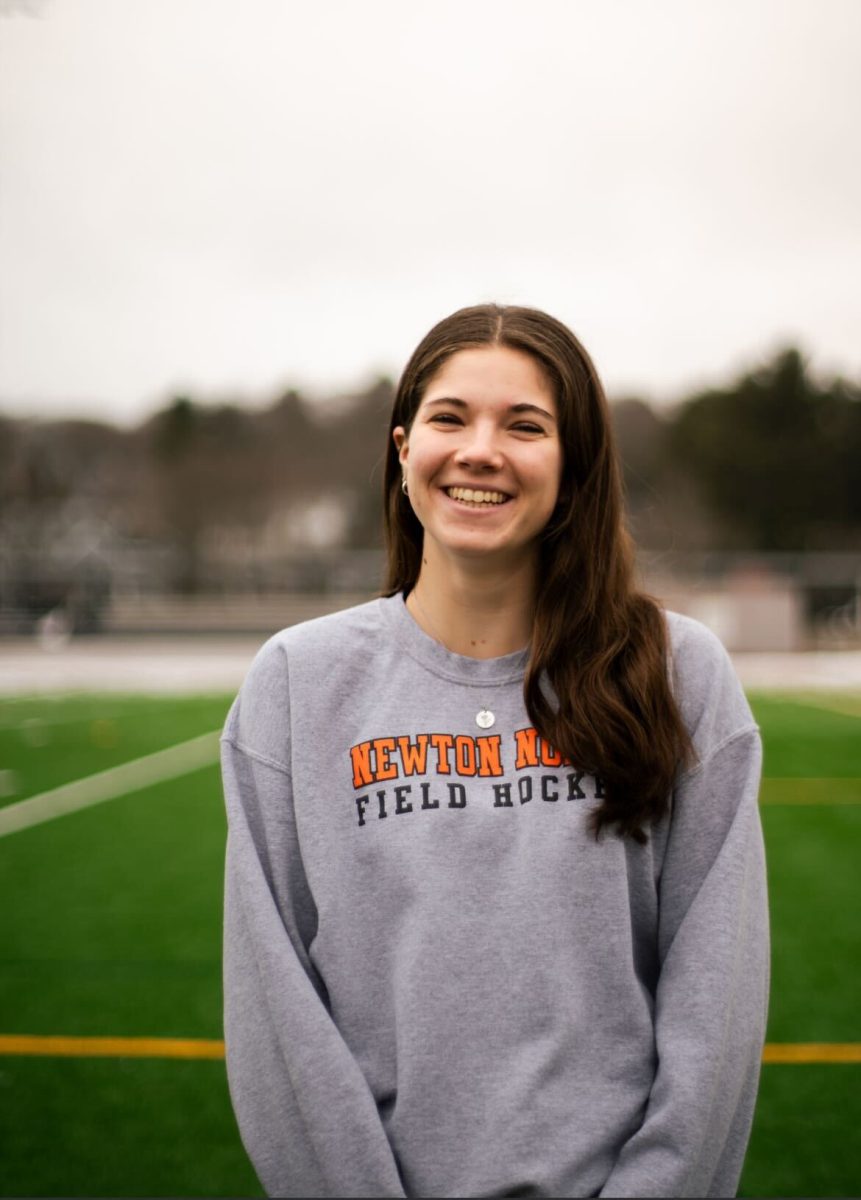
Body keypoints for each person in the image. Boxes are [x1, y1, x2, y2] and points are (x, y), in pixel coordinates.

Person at [221, 303, 769, 1198]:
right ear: (403, 450)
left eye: (525, 425)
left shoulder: (679, 674)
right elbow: (276, 1013)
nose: (481, 450)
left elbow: (717, 1002)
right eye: (449, 418)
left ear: (575, 466)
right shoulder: (295, 684)